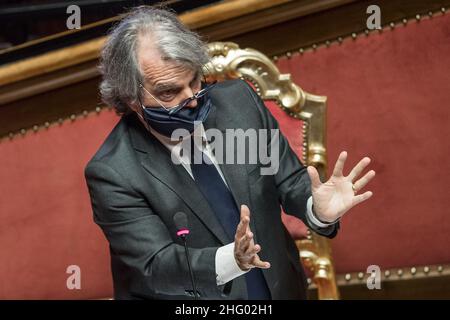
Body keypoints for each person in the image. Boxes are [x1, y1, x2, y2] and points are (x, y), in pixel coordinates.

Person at [85, 6, 375, 300]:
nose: (192, 100)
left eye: (195, 81)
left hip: (280, 289)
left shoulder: (239, 102)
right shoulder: (112, 172)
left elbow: (289, 182)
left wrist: (317, 209)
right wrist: (231, 261)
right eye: (169, 92)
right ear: (131, 97)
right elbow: (155, 266)